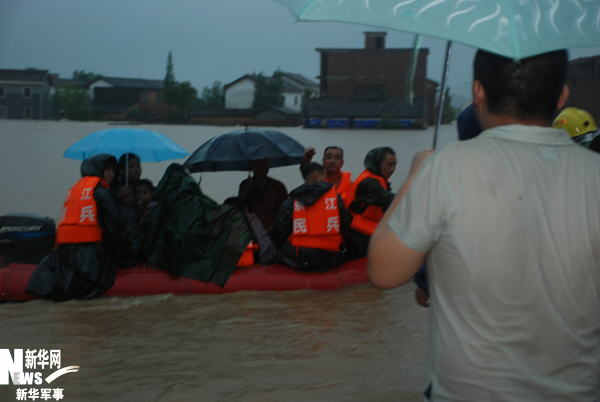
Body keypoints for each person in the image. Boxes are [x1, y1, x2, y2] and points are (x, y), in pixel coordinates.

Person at [368, 49, 600, 400]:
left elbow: (384, 271)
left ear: (478, 92)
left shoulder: (445, 167)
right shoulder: (594, 173)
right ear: (563, 95)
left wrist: (417, 173)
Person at [26, 154, 127, 300]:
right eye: (107, 170)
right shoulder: (103, 193)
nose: (111, 174)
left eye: (113, 170)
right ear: (98, 170)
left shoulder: (75, 189)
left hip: (64, 251)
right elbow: (115, 227)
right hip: (89, 254)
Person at [271, 162, 354, 272]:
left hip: (300, 259)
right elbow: (346, 227)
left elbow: (279, 230)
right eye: (324, 175)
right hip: (330, 259)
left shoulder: (292, 200)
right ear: (316, 175)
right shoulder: (336, 199)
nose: (326, 179)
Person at [345, 147, 396, 257]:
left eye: (394, 165)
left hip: (370, 233)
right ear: (377, 163)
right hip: (358, 236)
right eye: (389, 165)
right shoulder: (369, 183)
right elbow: (390, 200)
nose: (392, 169)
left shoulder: (377, 180)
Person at [238, 158, 288, 233]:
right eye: (258, 163)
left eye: (265, 163)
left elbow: (285, 211)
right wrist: (245, 191)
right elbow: (240, 208)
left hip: (275, 232)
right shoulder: (245, 185)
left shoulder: (278, 186)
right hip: (251, 231)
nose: (263, 166)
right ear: (251, 166)